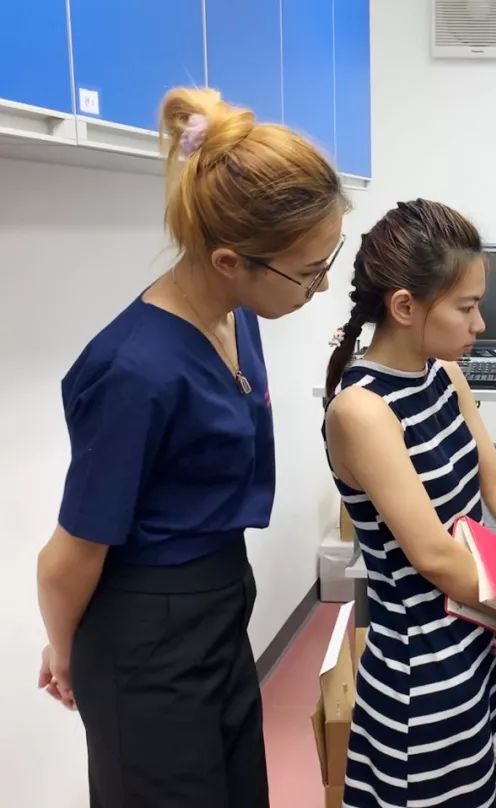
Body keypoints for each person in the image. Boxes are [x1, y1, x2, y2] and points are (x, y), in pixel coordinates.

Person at [35, 87, 347, 807]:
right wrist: (67, 651)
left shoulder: (237, 319)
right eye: (309, 271)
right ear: (231, 260)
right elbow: (65, 561)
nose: (323, 284)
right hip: (147, 643)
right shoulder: (133, 372)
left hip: (218, 609)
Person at [323, 199, 496, 808]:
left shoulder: (444, 376)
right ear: (405, 307)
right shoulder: (362, 410)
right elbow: (432, 555)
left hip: (469, 646)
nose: (479, 323)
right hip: (421, 673)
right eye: (466, 306)